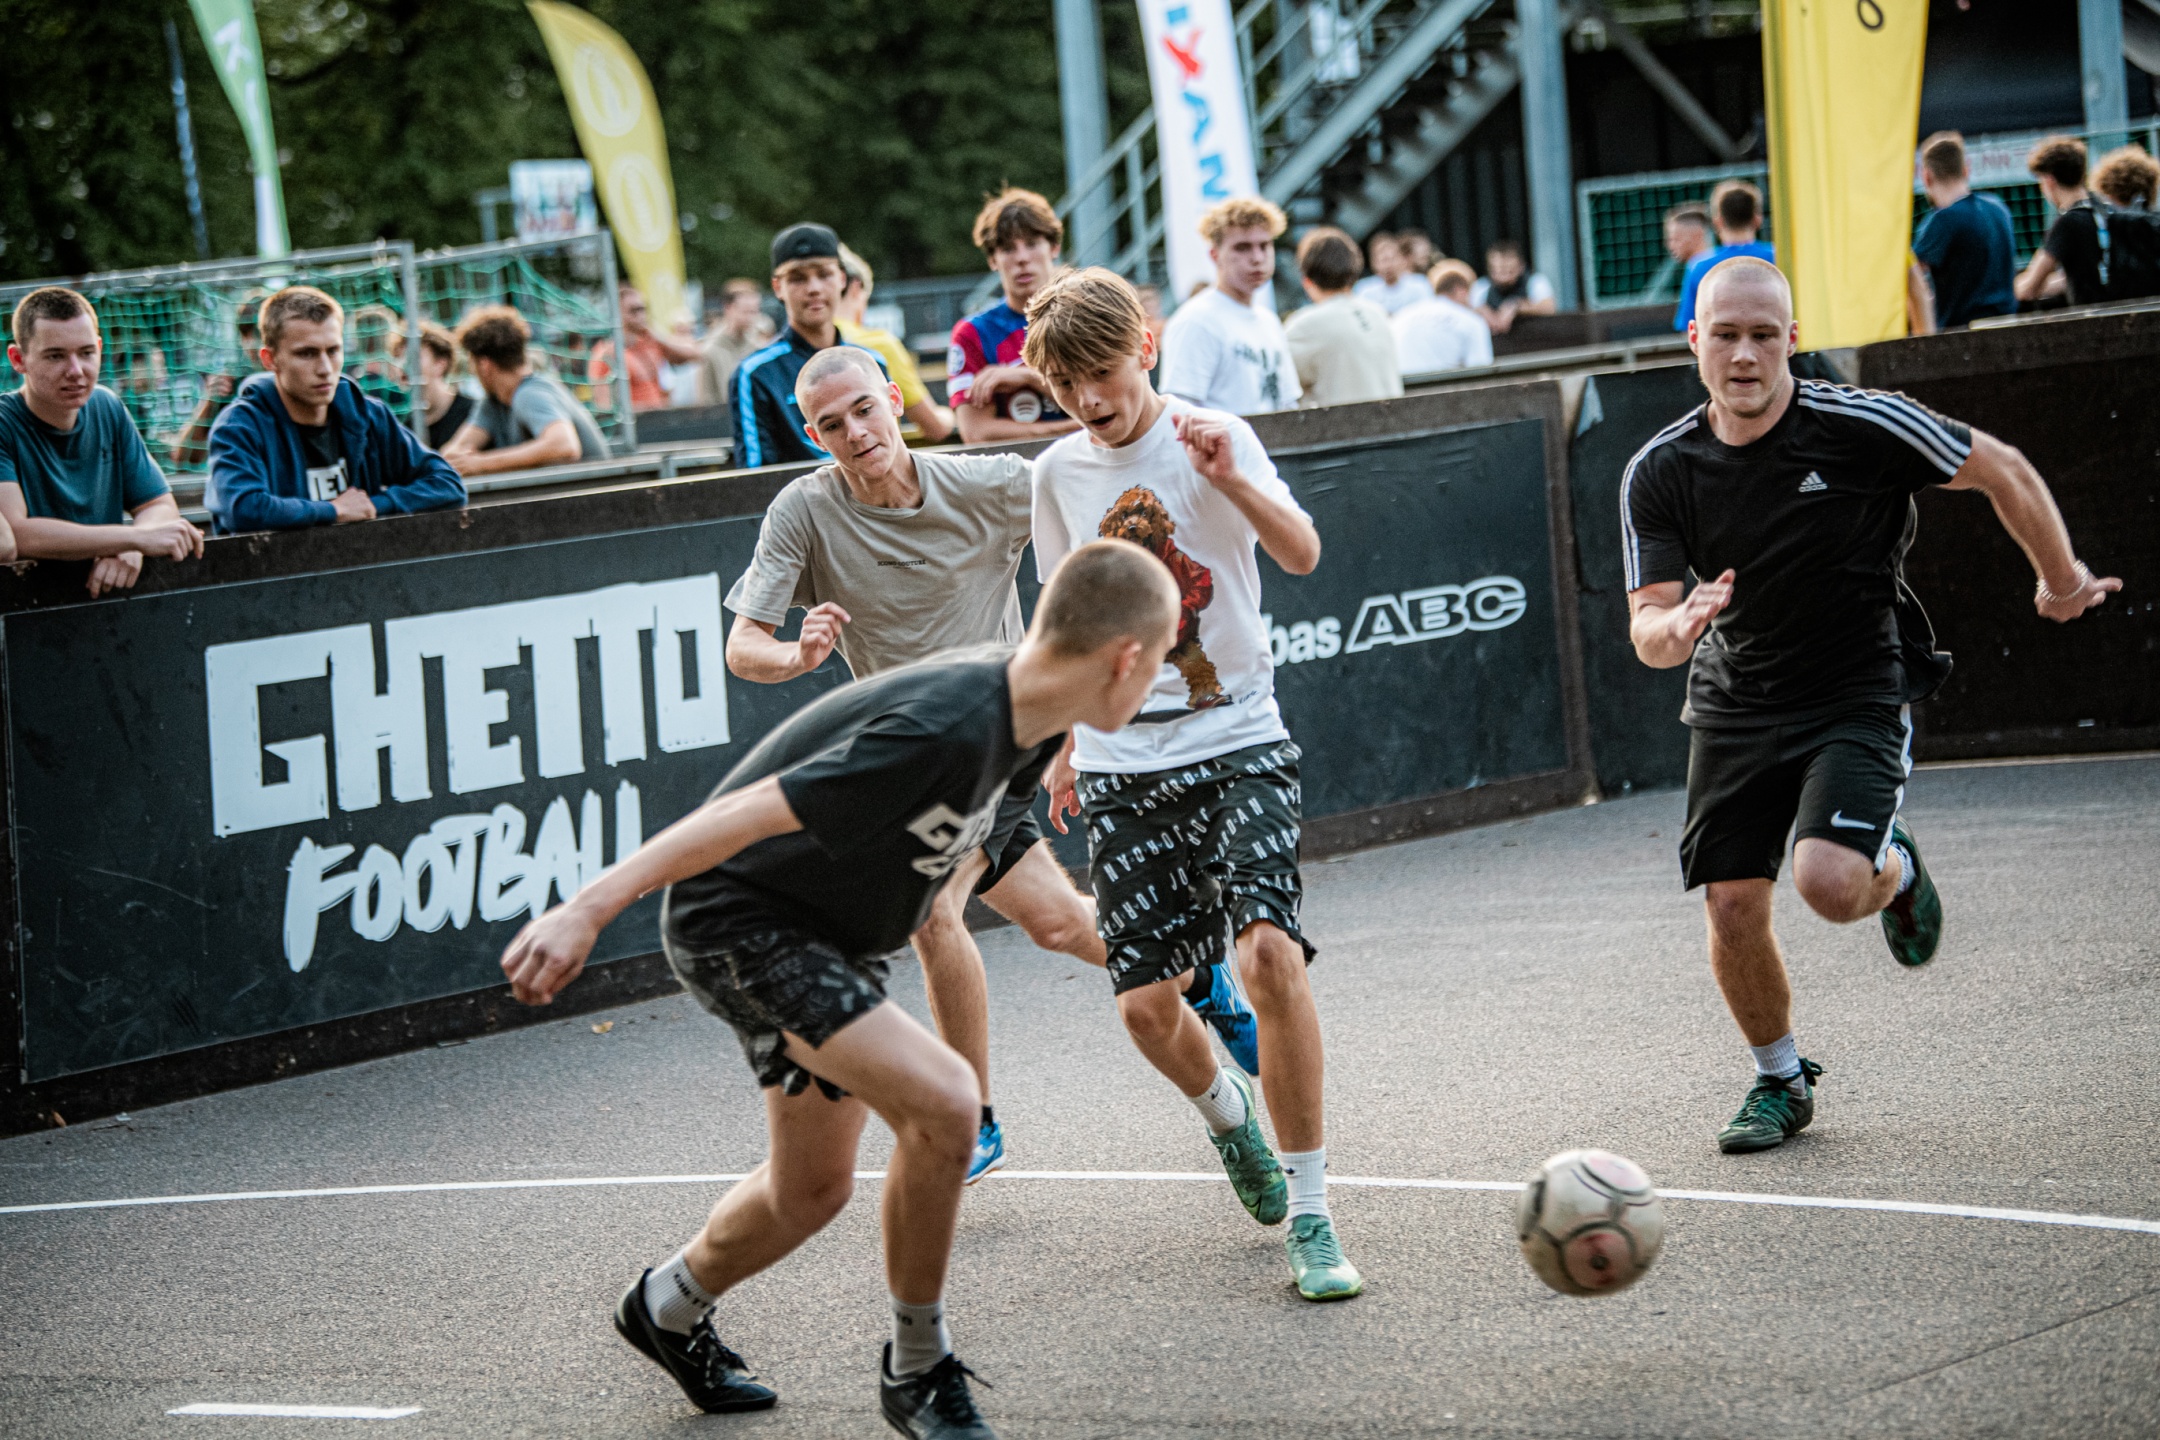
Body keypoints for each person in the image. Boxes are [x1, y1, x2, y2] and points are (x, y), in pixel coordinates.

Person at [498, 538, 1182, 1438]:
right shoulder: (946, 728)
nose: (1158, 680)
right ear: (1125, 658)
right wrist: (585, 909)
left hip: (827, 938)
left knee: (811, 1189)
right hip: (742, 922)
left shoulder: (1034, 723)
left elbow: (998, 883)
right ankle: (918, 1369)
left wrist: (1148, 942)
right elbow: (742, 812)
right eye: (1161, 661)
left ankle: (664, 1307)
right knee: (947, 1103)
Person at [1621, 256, 2120, 1157]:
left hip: (1855, 687)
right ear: (1693, 341)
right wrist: (1679, 627)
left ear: (1793, 340)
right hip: (1735, 700)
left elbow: (2003, 468)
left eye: (1763, 336)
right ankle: (1780, 1081)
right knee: (1731, 904)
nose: (1744, 356)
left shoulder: (1859, 424)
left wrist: (2062, 579)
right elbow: (1648, 627)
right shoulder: (1659, 470)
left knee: (1830, 884)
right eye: (1725, 335)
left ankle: (1895, 868)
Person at [723, 344, 1259, 1182]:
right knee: (1059, 925)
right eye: (832, 424)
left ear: (892, 398)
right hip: (914, 763)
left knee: (931, 910)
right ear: (811, 431)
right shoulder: (804, 510)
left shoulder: (988, 485)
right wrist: (796, 656)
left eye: (864, 409)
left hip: (1007, 730)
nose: (855, 432)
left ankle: (972, 1120)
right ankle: (1195, 970)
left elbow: (1100, 523)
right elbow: (742, 646)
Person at [1026, 266, 1363, 1303]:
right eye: (1065, 383)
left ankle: (1313, 1213)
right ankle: (1229, 1118)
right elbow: (1064, 623)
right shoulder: (1057, 473)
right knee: (1144, 1007)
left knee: (1268, 955)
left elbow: (1303, 552)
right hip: (1124, 759)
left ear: (1146, 347)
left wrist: (1234, 482)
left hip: (1239, 734)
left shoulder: (1213, 436)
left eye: (1101, 371)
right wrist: (1064, 741)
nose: (1088, 398)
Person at [204, 287, 466, 534]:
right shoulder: (239, 426)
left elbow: (447, 484)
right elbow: (244, 509)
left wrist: (376, 505)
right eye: (307, 354)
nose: (325, 368)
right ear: (269, 359)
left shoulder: (367, 414)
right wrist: (334, 510)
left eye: (333, 351)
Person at [0, 286, 201, 597]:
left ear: (99, 348)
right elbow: (17, 534)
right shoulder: (4, 422)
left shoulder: (107, 406)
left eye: (86, 353)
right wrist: (132, 539)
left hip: (102, 601)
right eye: (55, 356)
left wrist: (132, 547)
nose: (75, 370)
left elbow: (158, 504)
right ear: (18, 359)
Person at [731, 223, 891, 468]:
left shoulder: (872, 362)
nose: (814, 288)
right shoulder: (755, 374)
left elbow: (890, 455)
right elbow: (756, 477)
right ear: (778, 287)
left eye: (824, 274)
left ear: (842, 279)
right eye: (797, 278)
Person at [947, 189, 1081, 445]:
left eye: (1032, 244)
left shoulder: (1087, 315)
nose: (1021, 258)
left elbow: (1106, 399)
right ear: (992, 260)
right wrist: (1077, 429)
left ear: (1054, 247)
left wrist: (1029, 377)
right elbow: (976, 432)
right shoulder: (973, 333)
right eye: (1008, 249)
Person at [1158, 196, 1302, 415]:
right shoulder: (1195, 321)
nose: (1257, 258)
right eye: (1242, 248)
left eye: (1264, 245)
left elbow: (1288, 404)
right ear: (1215, 255)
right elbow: (1180, 413)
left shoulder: (1268, 321)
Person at [442, 306, 608, 475]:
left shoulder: (530, 394)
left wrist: (481, 463)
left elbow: (564, 446)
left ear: (484, 365)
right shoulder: (493, 403)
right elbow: (454, 453)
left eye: (471, 363)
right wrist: (457, 461)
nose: (472, 371)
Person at [835, 244, 952, 441]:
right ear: (856, 287)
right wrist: (948, 415)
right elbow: (935, 427)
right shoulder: (879, 344)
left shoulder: (798, 346)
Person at [1282, 225, 1402, 407]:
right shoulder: (1377, 313)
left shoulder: (1305, 325)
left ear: (1307, 280)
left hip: (1345, 424)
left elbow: (1281, 384)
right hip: (1393, 420)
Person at [1909, 131, 2017, 334]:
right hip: (2008, 328)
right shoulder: (1998, 208)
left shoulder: (1943, 220)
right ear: (1966, 169)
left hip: (1962, 336)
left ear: (1926, 176)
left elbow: (1912, 276)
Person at [170, 293, 266, 468]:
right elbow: (184, 459)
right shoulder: (233, 385)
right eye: (248, 334)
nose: (255, 342)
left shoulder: (304, 381)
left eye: (261, 333)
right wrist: (209, 403)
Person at [1675, 183, 1776, 331]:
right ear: (1757, 219)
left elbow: (1688, 324)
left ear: (1718, 221)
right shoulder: (1777, 256)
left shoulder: (1699, 266)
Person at [591, 284, 703, 412]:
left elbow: (696, 355)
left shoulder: (650, 344)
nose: (641, 315)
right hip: (636, 421)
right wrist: (646, 410)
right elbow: (604, 406)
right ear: (618, 314)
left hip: (661, 418)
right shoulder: (607, 354)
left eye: (643, 309)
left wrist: (657, 336)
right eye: (634, 310)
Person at [2015, 137, 2095, 306]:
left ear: (2049, 180)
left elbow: (2029, 288)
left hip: (2089, 316)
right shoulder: (2102, 210)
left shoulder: (2068, 223)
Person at [1393, 260, 1493, 375]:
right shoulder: (1472, 322)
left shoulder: (1401, 316)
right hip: (1445, 384)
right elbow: (1481, 372)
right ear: (1461, 291)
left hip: (1402, 384)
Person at [391, 321, 476, 451]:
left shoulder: (472, 413)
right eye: (399, 358)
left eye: (413, 358)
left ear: (440, 364)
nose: (403, 365)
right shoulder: (405, 429)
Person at [697, 279, 777, 406]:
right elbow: (706, 400)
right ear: (728, 308)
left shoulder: (757, 347)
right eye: (746, 311)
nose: (751, 318)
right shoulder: (710, 350)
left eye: (754, 312)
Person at [1471, 239, 1557, 335]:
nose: (1503, 278)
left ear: (1521, 267)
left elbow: (1549, 307)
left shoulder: (1535, 282)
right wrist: (1483, 312)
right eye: (1498, 271)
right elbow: (1466, 311)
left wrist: (1517, 307)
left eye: (1509, 271)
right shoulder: (1481, 286)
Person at [1351, 231, 1432, 315]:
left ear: (1401, 259)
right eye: (1384, 260)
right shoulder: (1364, 290)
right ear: (1373, 263)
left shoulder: (1420, 284)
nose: (1388, 265)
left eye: (1392, 259)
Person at [1663, 204, 1715, 329]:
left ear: (1697, 234)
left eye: (1676, 239)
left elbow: (1686, 325)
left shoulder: (1696, 267)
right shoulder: (1724, 262)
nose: (1670, 246)